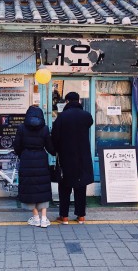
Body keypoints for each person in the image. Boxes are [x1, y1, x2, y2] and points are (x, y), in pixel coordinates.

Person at [51, 91, 94, 224]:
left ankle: (64, 216)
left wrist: (56, 150)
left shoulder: (62, 117)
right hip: (83, 156)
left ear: (67, 101)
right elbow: (89, 124)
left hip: (66, 157)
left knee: (64, 187)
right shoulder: (87, 116)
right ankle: (81, 216)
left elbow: (55, 137)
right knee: (81, 186)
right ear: (79, 101)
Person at [12, 105, 55, 228]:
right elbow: (50, 147)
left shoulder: (21, 128)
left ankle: (36, 217)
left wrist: (23, 154)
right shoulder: (45, 129)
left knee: (30, 187)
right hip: (41, 159)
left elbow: (17, 146)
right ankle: (44, 219)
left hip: (27, 159)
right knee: (43, 187)